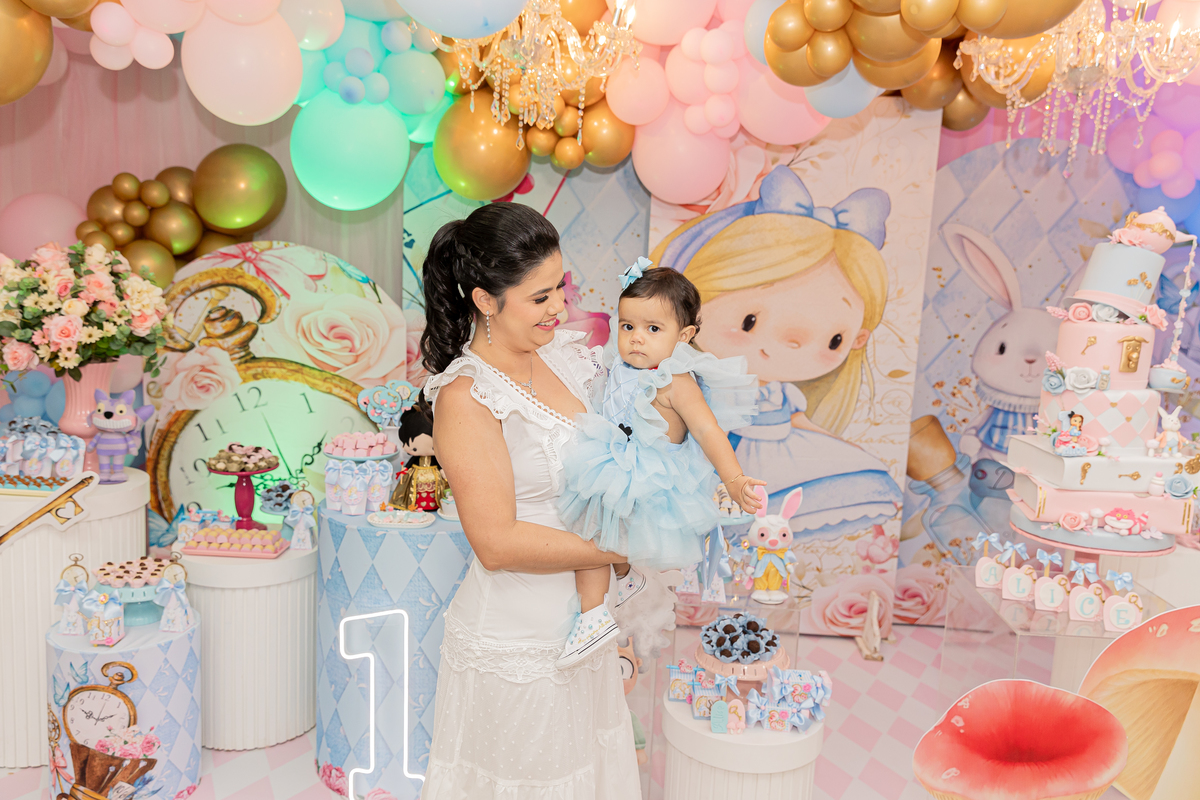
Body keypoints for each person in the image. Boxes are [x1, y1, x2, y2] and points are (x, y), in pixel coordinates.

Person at [419, 203, 641, 798]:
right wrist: (618, 546)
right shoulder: (466, 397)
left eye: (560, 288)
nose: (559, 308)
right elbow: (495, 542)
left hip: (584, 627)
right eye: (540, 297)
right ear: (485, 300)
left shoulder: (566, 358)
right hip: (517, 646)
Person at [652, 164, 902, 539]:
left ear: (858, 339)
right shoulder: (704, 381)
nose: (780, 347)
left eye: (833, 339)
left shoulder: (780, 392)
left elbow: (799, 420)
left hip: (783, 461)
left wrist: (837, 445)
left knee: (764, 530)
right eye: (749, 321)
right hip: (726, 458)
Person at [556, 261, 764, 666]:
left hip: (649, 477)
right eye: (628, 326)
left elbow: (707, 431)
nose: (636, 338)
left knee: (593, 538)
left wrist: (734, 478)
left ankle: (593, 615)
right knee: (592, 530)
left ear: (684, 336)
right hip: (614, 460)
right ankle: (623, 579)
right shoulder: (618, 367)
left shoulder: (676, 381)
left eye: (653, 329)